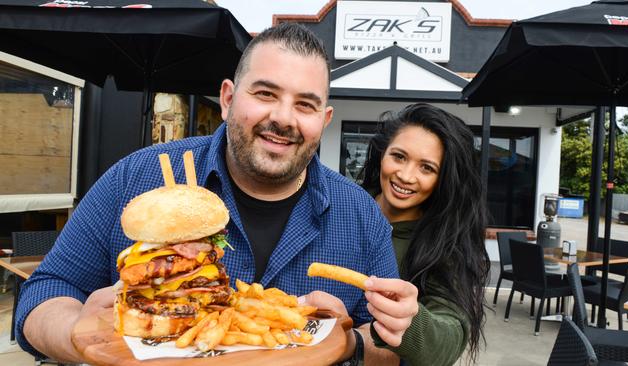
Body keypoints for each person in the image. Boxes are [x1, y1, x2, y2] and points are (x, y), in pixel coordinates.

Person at [15, 23, 409, 364]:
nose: (283, 119)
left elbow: (389, 350)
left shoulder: (360, 215)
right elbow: (44, 294)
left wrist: (348, 341)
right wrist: (81, 332)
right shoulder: (135, 178)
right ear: (227, 99)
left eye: (304, 104)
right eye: (265, 94)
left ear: (323, 121)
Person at [358, 103, 491, 366]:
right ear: (382, 154)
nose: (406, 176)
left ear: (444, 180)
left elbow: (450, 336)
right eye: (399, 156)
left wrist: (409, 321)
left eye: (426, 168)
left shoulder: (446, 246)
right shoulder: (344, 206)